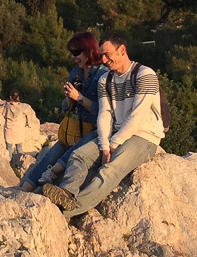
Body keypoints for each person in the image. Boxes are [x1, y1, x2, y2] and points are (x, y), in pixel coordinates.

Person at [43, 33, 162, 220]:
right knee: (79, 155)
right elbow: (105, 113)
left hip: (144, 135)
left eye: (107, 55)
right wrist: (105, 146)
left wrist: (112, 145)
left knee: (109, 170)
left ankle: (66, 211)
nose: (104, 60)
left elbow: (137, 116)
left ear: (122, 50)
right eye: (101, 55)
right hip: (115, 130)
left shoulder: (144, 75)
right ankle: (66, 193)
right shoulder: (105, 80)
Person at [21, 32, 104, 193]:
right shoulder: (76, 72)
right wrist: (69, 98)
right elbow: (66, 107)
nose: (73, 57)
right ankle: (25, 188)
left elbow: (102, 109)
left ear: (88, 51)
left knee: (73, 152)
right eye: (71, 53)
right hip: (78, 127)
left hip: (95, 129)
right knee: (52, 154)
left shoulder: (102, 74)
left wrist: (79, 97)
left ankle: (53, 177)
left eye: (76, 53)